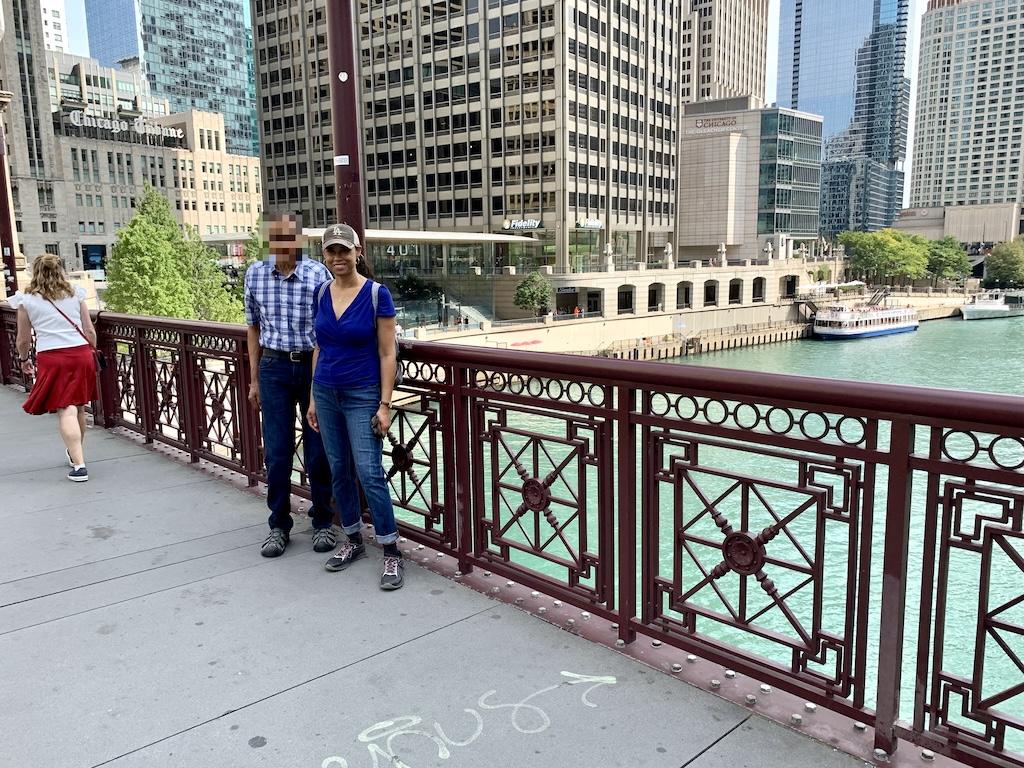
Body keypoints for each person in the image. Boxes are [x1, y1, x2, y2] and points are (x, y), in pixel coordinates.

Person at [306, 223, 404, 590]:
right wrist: (314, 398)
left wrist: (385, 404)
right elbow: (320, 348)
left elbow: (386, 352)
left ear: (357, 251)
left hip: (363, 393)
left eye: (343, 251)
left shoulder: (378, 295)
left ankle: (391, 550)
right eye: (331, 252)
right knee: (339, 470)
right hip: (327, 391)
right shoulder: (320, 294)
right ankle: (353, 540)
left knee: (369, 471)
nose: (337, 258)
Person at [244, 213, 336, 558]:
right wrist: (253, 379)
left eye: (289, 240)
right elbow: (252, 327)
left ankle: (323, 521)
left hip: (313, 367)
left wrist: (319, 386)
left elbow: (325, 333)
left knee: (318, 450)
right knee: (278, 452)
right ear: (269, 241)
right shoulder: (254, 274)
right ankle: (278, 524)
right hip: (273, 367)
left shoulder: (317, 275)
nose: (283, 247)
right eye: (276, 240)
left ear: (299, 241)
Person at [11, 254, 97, 482]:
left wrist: (23, 359)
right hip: (80, 353)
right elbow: (89, 330)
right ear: (61, 270)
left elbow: (23, 339)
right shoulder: (75, 294)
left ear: (35, 272)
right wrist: (92, 353)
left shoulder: (26, 300)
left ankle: (79, 466)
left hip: (52, 357)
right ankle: (75, 452)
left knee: (65, 408)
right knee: (78, 406)